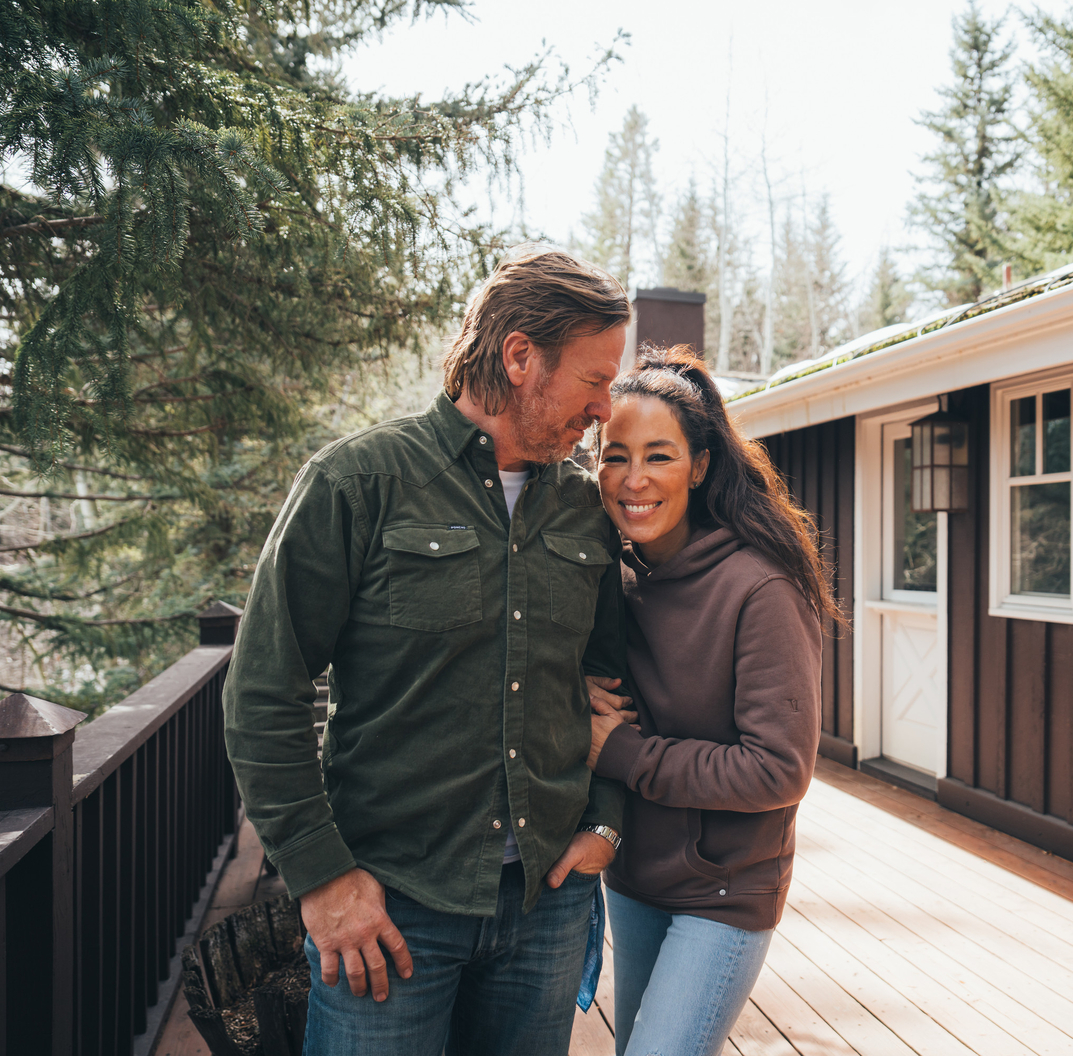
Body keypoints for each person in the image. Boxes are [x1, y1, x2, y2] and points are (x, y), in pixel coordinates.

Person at [223, 248, 636, 1056]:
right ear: (520, 357)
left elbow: (611, 678)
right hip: (387, 909)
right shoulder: (356, 484)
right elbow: (263, 693)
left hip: (547, 904)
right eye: (594, 379)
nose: (604, 409)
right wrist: (320, 876)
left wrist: (606, 823)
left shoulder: (587, 510)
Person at [584, 346, 837, 1056]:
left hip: (724, 892)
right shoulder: (609, 576)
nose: (634, 480)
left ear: (698, 466)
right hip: (633, 877)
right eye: (614, 457)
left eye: (658, 456)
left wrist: (624, 754)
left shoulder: (761, 588)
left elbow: (778, 770)